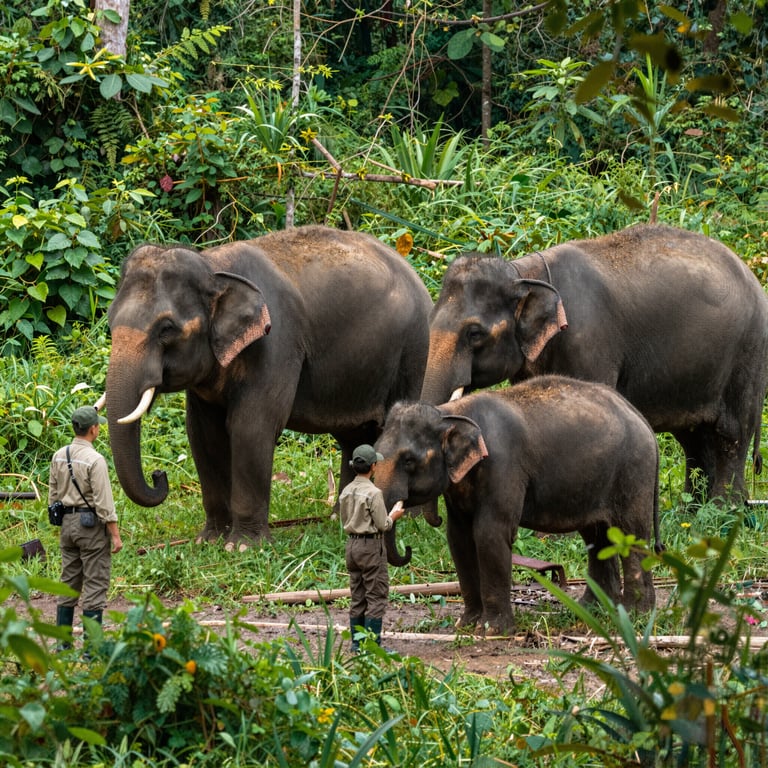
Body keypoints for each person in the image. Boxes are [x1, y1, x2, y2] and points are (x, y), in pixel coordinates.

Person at [49, 405, 122, 650]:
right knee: (95, 583)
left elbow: (53, 495)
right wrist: (115, 534)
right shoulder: (95, 460)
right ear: (93, 429)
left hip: (67, 525)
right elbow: (104, 502)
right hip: (90, 526)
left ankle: (63, 644)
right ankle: (91, 650)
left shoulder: (59, 455)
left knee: (68, 582)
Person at [339, 444, 405, 652]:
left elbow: (345, 520)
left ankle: (357, 644)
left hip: (352, 546)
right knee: (376, 595)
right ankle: (372, 645)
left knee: (357, 595)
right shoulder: (374, 493)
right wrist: (394, 515)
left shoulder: (346, 491)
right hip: (370, 547)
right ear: (373, 466)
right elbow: (382, 525)